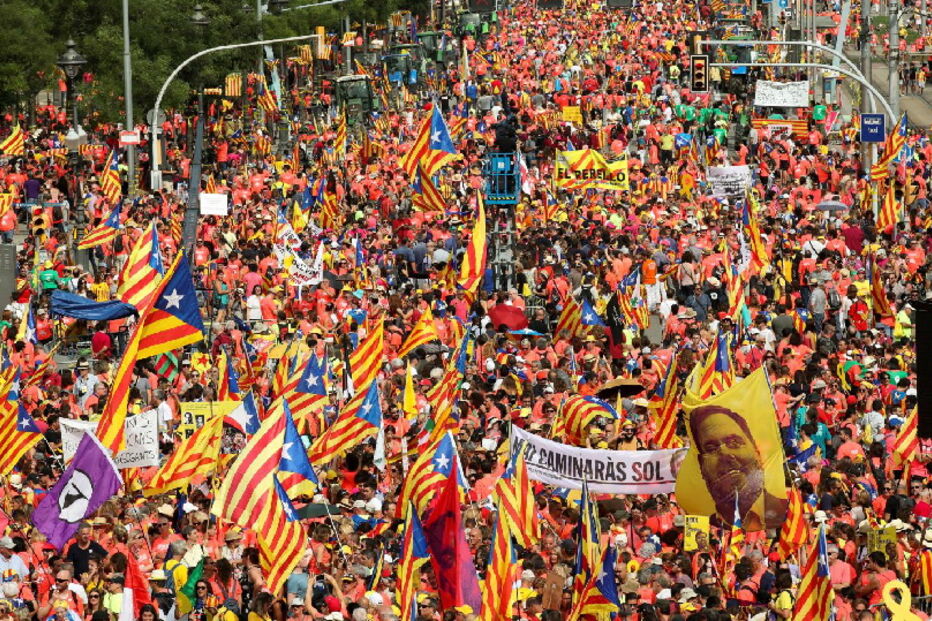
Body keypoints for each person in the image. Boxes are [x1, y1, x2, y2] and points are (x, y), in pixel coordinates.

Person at [688, 405, 787, 530]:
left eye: (734, 442)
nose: (724, 453)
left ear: (757, 452)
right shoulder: (700, 527)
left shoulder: (788, 514)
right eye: (711, 448)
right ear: (701, 465)